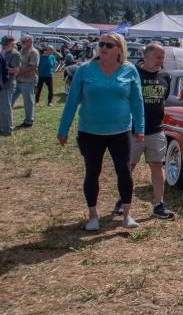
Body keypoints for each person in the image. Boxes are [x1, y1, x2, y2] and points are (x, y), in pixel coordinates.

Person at [57, 33, 145, 231]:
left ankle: (127, 214)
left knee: (124, 171)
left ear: (119, 49)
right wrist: (63, 129)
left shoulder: (129, 70)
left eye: (108, 44)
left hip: (121, 131)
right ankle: (93, 216)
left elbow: (137, 102)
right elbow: (72, 101)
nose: (103, 47)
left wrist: (140, 128)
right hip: (90, 131)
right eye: (101, 44)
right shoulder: (85, 70)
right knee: (92, 172)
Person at [113, 42, 174, 220]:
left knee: (156, 166)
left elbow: (164, 98)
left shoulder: (166, 76)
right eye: (157, 57)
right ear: (146, 57)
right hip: (133, 131)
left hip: (156, 130)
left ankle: (158, 204)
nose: (160, 61)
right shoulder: (133, 74)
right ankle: (122, 201)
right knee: (128, 167)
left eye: (163, 58)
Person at [13, 34, 39, 128]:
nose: (22, 43)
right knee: (9, 100)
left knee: (28, 101)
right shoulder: (22, 50)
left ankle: (28, 121)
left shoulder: (33, 52)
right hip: (19, 80)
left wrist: (18, 73)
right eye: (22, 41)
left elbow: (33, 66)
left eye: (24, 41)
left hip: (28, 80)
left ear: (30, 41)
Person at [0, 35, 20, 137]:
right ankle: (2, 127)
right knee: (1, 107)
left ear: (11, 44)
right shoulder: (3, 52)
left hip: (8, 84)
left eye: (4, 44)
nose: (2, 46)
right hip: (1, 83)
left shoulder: (15, 54)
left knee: (6, 107)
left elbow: (16, 70)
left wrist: (5, 68)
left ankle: (7, 129)